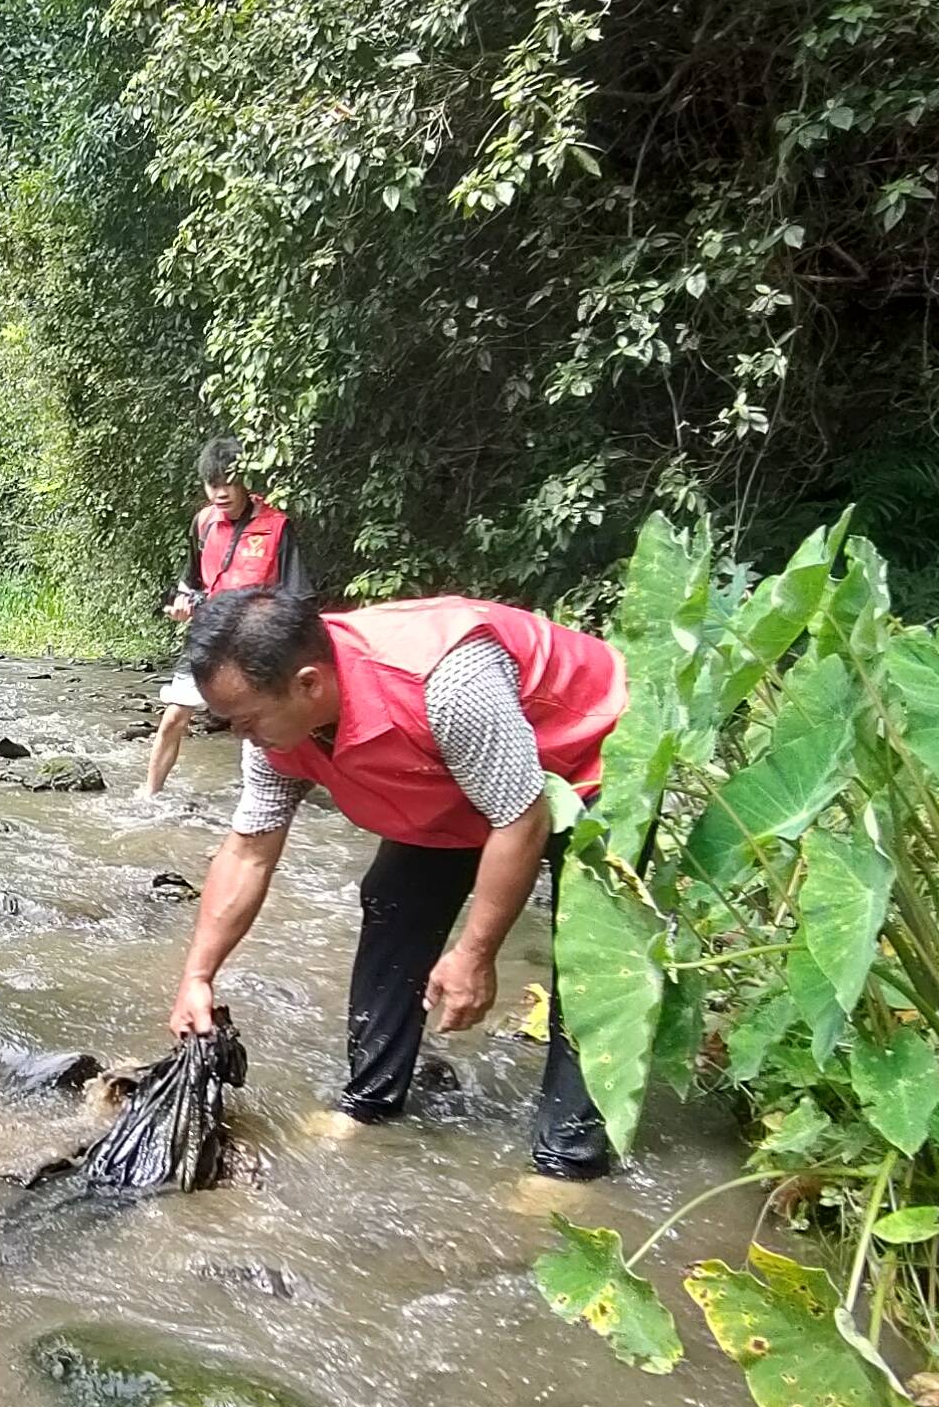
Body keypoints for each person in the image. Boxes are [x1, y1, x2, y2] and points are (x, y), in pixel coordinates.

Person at [163, 587, 626, 1176]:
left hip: (590, 758)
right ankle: (369, 1103)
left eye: (247, 720)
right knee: (392, 898)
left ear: (309, 684)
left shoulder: (446, 682)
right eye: (229, 723)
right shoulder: (271, 730)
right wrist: (197, 976)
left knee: (591, 948)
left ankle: (569, 1158)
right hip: (452, 773)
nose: (240, 737)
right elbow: (250, 851)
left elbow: (520, 815)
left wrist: (475, 953)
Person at [140, 439, 309, 798]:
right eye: (212, 485)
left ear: (244, 480)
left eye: (227, 483)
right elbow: (190, 583)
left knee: (263, 725)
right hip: (209, 634)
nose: (220, 493)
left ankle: (269, 797)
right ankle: (149, 794)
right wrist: (181, 605)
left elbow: (299, 597)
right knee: (174, 717)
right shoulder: (202, 524)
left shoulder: (277, 526)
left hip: (256, 641)